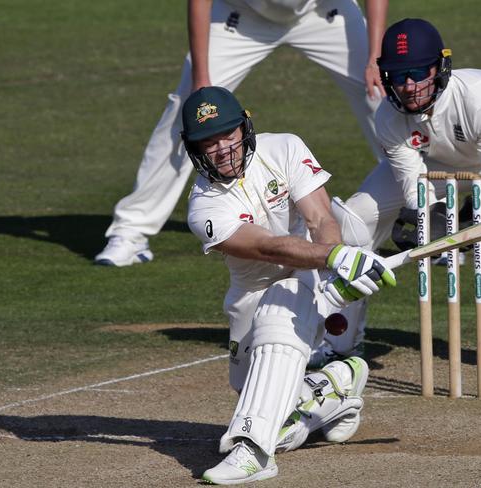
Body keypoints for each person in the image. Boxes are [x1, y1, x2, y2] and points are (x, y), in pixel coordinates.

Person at [322, 18, 481, 376]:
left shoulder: (479, 97)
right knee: (355, 218)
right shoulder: (388, 118)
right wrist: (435, 215)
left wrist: (478, 209)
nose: (408, 86)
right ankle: (338, 342)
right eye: (398, 75)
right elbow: (413, 186)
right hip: (435, 161)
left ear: (439, 68)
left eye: (417, 73)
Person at [180, 86, 396, 484]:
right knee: (275, 414)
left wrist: (335, 263)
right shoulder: (203, 208)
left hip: (305, 274)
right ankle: (334, 387)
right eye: (209, 143)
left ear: (245, 128)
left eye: (228, 135)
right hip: (252, 289)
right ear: (194, 150)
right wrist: (332, 258)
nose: (223, 149)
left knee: (280, 314)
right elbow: (264, 247)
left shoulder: (285, 149)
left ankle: (252, 452)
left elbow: (320, 218)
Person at [94, 0, 389, 267]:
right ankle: (131, 232)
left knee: (384, 93)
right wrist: (201, 78)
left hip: (324, 12)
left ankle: (425, 211)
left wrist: (375, 55)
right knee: (188, 116)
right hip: (242, 17)